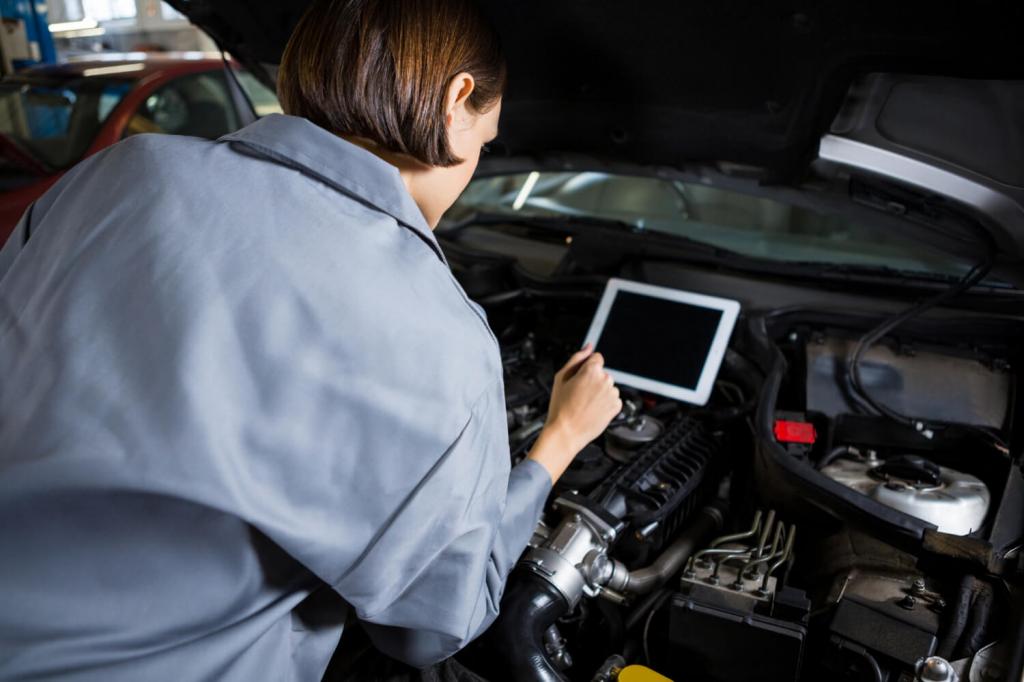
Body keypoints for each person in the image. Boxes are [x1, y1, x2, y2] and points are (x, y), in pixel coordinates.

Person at [0, 0, 621, 680]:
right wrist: (557, 442)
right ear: (457, 100)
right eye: (487, 143)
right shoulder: (437, 332)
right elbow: (431, 627)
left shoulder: (117, 173)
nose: (475, 164)